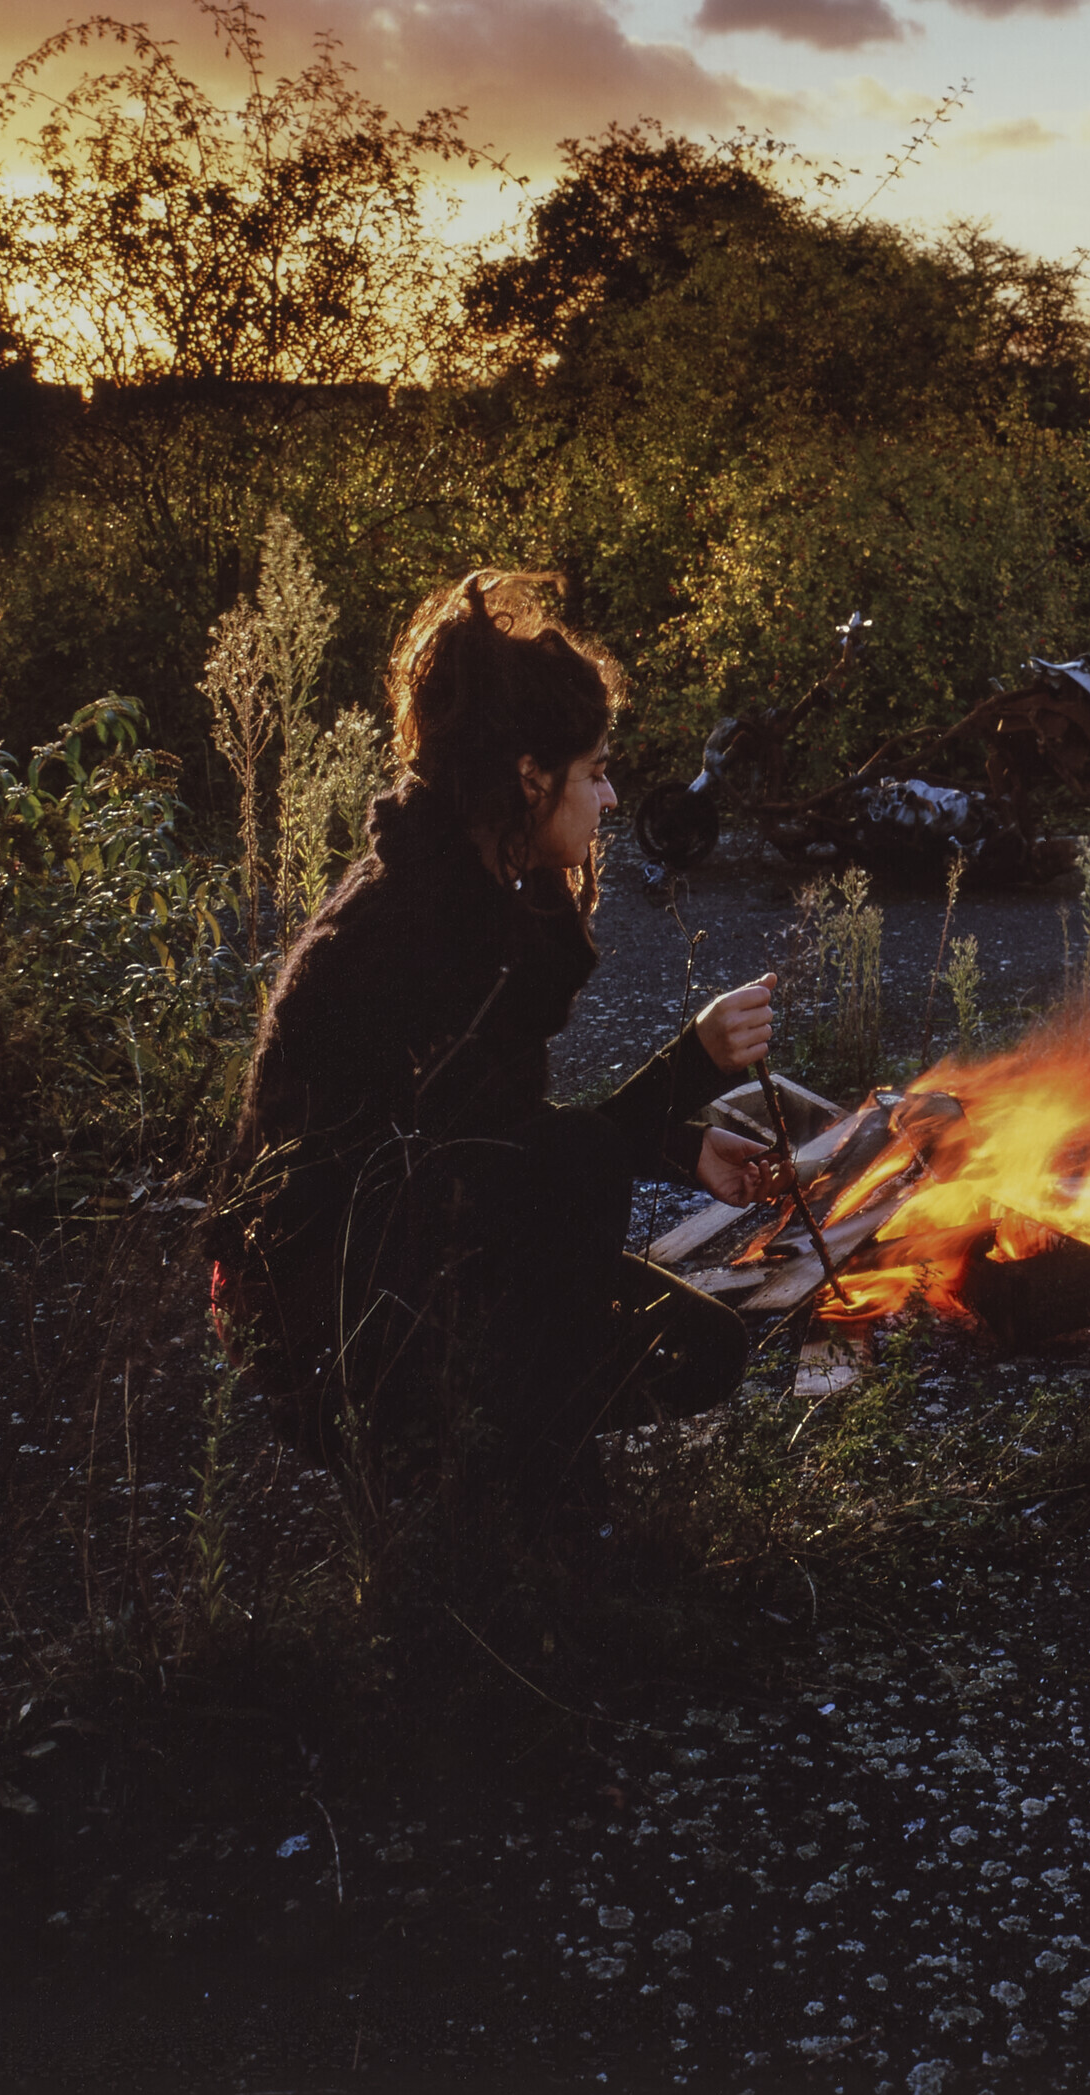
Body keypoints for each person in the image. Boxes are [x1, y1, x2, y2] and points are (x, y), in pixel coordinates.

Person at [208, 570, 782, 1522]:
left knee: (703, 1346)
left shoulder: (478, 883)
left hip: (404, 1255)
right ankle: (508, 1502)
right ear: (529, 777)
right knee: (581, 1174)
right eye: (594, 771)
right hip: (326, 1321)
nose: (610, 797)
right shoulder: (415, 929)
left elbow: (486, 1132)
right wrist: (694, 1064)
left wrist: (679, 1145)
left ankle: (491, 1465)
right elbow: (515, 1166)